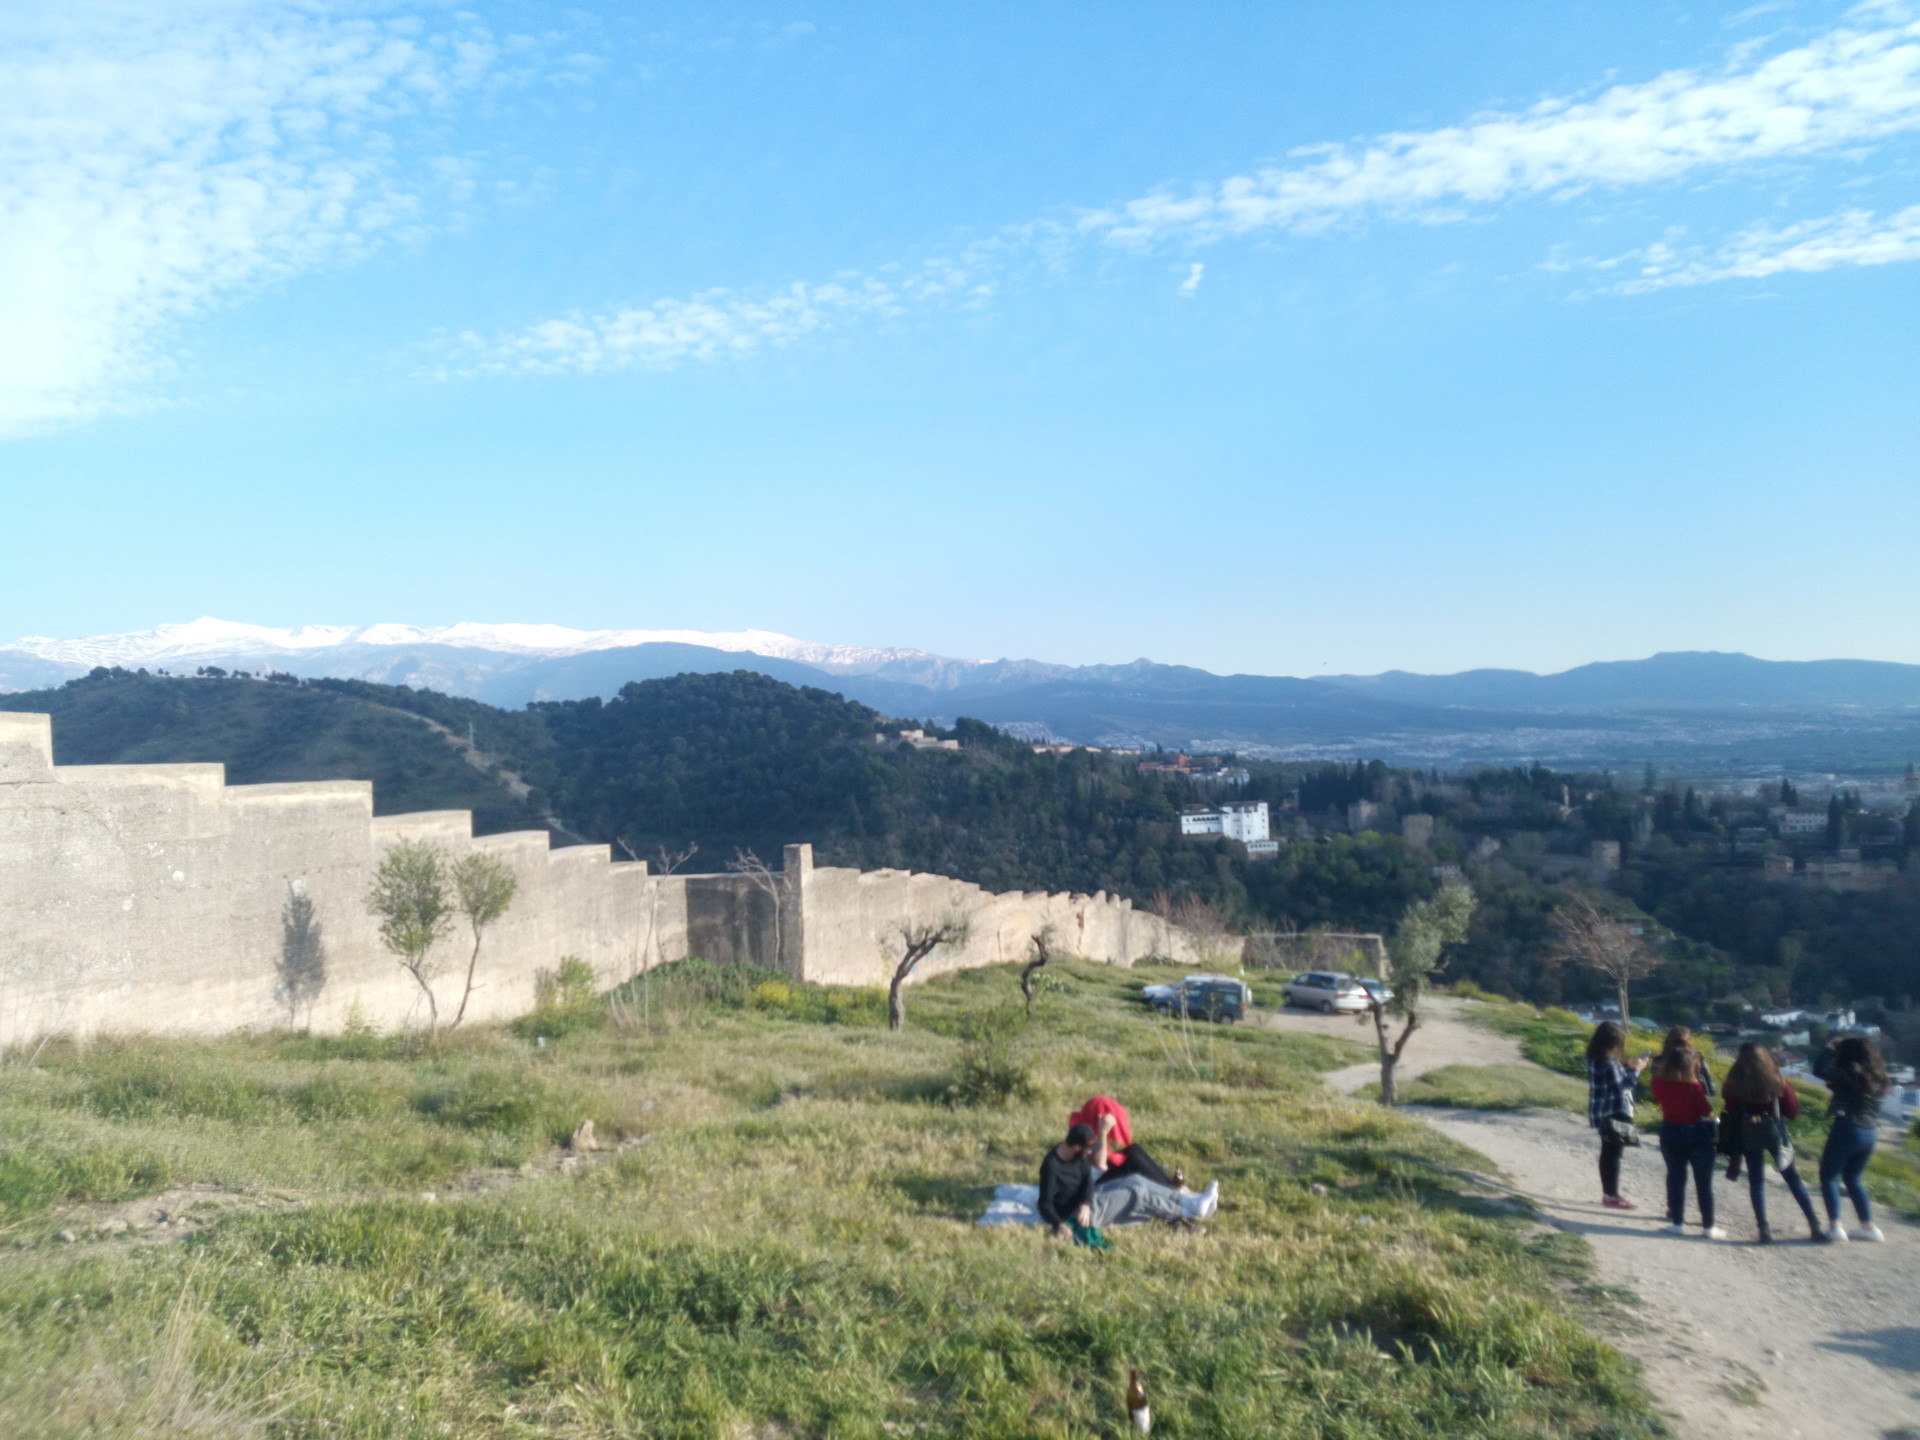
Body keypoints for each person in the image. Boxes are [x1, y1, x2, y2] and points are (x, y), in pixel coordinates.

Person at [1036, 1123, 1218, 1241]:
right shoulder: (1052, 1166)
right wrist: (1059, 1224)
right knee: (1135, 1195)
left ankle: (1187, 1201)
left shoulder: (1078, 1156)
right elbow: (1044, 1203)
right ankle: (1188, 1209)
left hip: (1085, 1203)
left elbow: (1087, 1182)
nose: (1090, 1153)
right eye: (1088, 1149)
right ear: (1076, 1147)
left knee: (1135, 1180)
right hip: (1077, 1214)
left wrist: (1085, 1201)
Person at [1720, 1042, 1821, 1243]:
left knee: (1756, 1181)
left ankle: (1764, 1229)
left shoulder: (1734, 1082)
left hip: (1748, 1132)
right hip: (1775, 1130)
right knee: (1792, 1177)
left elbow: (1730, 1107)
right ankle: (1814, 1225)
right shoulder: (1777, 1080)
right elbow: (1792, 1111)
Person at [1812, 1034, 1891, 1243]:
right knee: (1853, 1179)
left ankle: (1836, 1227)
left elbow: (1819, 1069)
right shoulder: (1877, 1076)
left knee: (1829, 1177)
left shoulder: (1849, 1072)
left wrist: (1829, 1047)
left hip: (1847, 1128)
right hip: (1869, 1132)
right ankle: (1869, 1227)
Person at [1649, 1026, 1725, 1239]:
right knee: (1703, 1183)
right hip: (1696, 1134)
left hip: (1670, 1130)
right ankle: (1708, 1226)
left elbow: (1657, 1098)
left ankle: (1677, 1222)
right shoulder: (1693, 1087)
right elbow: (1706, 1110)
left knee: (1675, 1177)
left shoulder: (1658, 1082)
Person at [1586, 1022, 1648, 1209]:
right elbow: (1623, 1086)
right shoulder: (1609, 1061)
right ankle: (1612, 1196)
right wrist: (1636, 1068)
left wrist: (1626, 1066)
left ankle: (1609, 1194)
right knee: (1613, 1155)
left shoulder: (1594, 1057)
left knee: (1607, 1153)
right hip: (1615, 1112)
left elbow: (1612, 1080)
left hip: (1601, 1111)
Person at [1067, 1096, 1185, 1190]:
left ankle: (1171, 1185)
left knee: (1134, 1149)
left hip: (1098, 1175)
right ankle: (1172, 1193)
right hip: (1091, 1187)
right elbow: (1099, 1164)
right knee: (1133, 1162)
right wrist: (1102, 1132)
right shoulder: (1080, 1136)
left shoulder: (1088, 1129)